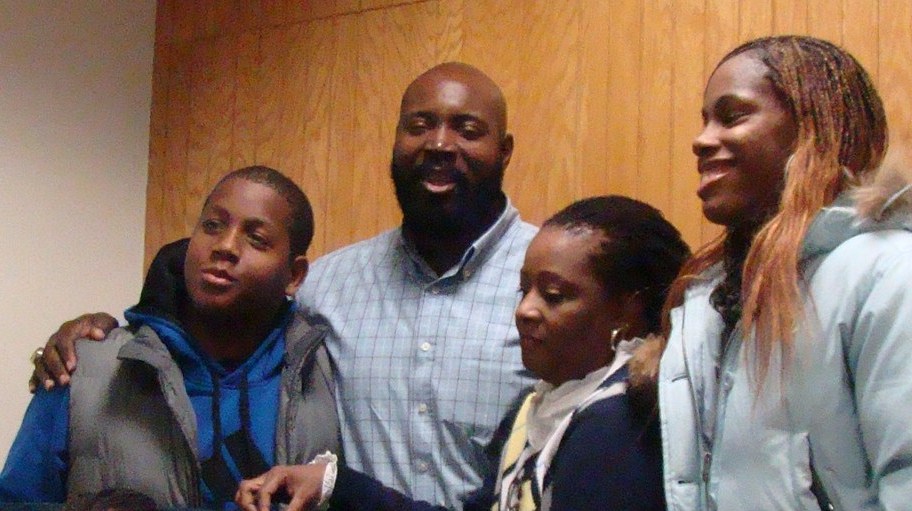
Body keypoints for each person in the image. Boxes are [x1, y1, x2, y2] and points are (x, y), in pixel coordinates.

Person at [34, 62, 538, 508]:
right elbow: (217, 309)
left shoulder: (554, 287)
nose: (440, 144)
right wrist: (98, 332)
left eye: (467, 129)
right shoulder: (330, 286)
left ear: (505, 150)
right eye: (419, 125)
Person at [629, 35, 912, 510]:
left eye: (732, 115)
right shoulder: (711, 301)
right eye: (705, 120)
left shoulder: (905, 279)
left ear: (815, 129)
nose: (701, 140)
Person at [235, 195, 690, 511]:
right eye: (523, 290)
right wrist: (334, 483)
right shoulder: (537, 407)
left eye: (554, 295)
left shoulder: (621, 425)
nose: (525, 310)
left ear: (629, 311)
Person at [2, 166, 340, 508]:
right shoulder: (83, 368)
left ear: (294, 276)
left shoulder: (329, 370)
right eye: (212, 225)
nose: (225, 246)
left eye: (256, 239)